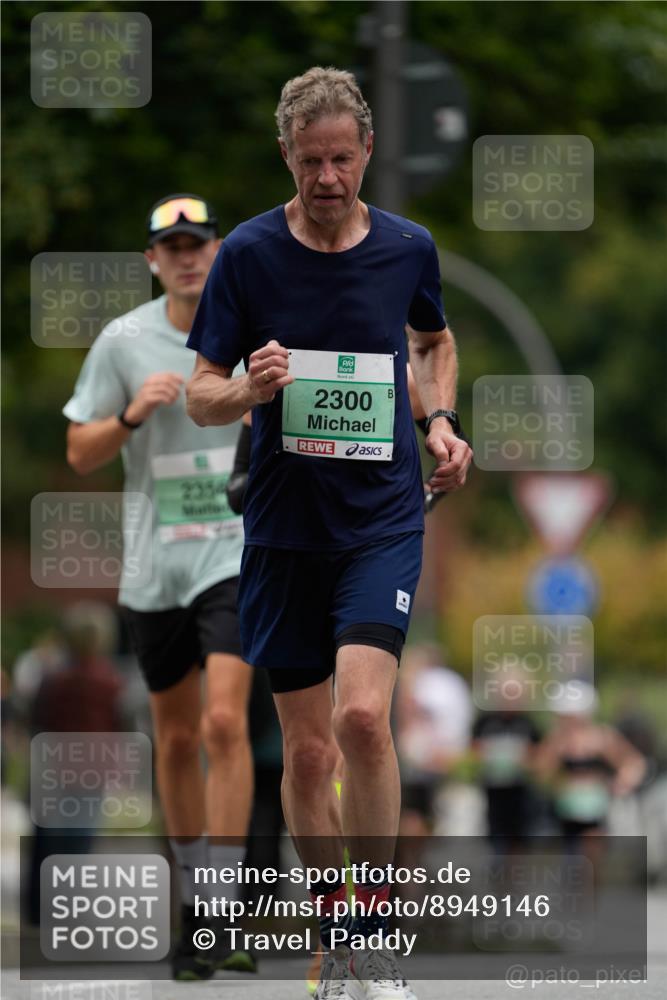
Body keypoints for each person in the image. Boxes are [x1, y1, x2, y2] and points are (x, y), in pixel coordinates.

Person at [186, 67, 472, 1000]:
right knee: (305, 754)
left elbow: (431, 339)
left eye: (342, 159)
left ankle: (380, 929)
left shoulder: (406, 248)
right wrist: (249, 389)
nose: (327, 178)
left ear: (367, 153)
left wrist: (437, 418)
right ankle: (336, 927)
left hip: (381, 520)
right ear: (286, 156)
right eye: (310, 161)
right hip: (281, 528)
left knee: (361, 718)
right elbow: (199, 396)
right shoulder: (249, 257)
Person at [63, 195, 256, 980]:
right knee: (174, 738)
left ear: (215, 252)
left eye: (197, 243)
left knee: (221, 723)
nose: (185, 257)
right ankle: (190, 901)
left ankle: (218, 912)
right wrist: (132, 418)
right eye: (170, 246)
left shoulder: (245, 330)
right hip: (153, 564)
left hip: (232, 551)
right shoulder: (123, 342)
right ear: (151, 260)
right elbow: (79, 451)